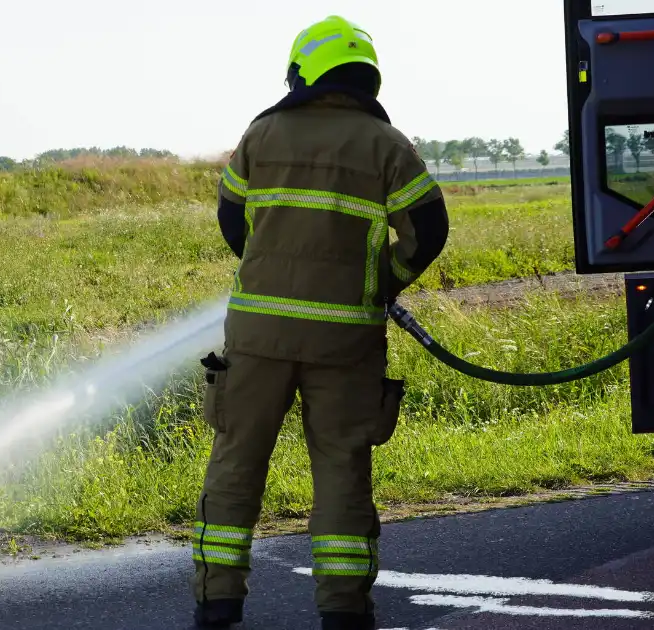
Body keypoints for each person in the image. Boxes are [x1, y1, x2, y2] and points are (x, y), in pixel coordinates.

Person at [189, 15, 450, 630]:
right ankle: (343, 612)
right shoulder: (387, 145)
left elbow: (233, 222)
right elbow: (428, 230)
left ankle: (217, 604)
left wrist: (272, 276)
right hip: (346, 339)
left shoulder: (262, 134)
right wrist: (381, 280)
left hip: (257, 337)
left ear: (304, 72)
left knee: (236, 461)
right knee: (341, 468)